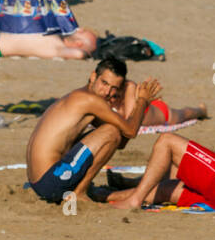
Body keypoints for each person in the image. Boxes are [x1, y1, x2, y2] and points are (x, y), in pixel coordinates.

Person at [25, 58, 161, 203]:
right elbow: (130, 131)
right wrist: (142, 101)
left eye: (114, 88)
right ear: (93, 77)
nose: (107, 92)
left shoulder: (80, 96)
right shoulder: (91, 100)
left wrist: (129, 90)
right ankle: (79, 192)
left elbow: (120, 142)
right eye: (104, 83)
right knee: (111, 131)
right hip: (49, 183)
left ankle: (80, 189)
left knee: (112, 131)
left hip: (39, 182)